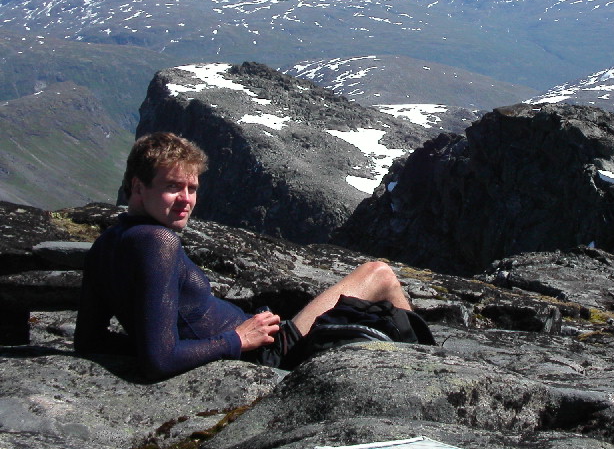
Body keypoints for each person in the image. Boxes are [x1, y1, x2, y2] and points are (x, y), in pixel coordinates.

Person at [75, 131, 412, 379]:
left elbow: (88, 342)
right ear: (138, 187)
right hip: (270, 354)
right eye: (173, 187)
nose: (186, 199)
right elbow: (159, 359)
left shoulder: (106, 243)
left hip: (256, 341)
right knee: (379, 274)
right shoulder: (158, 242)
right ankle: (425, 363)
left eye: (192, 188)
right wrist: (236, 339)